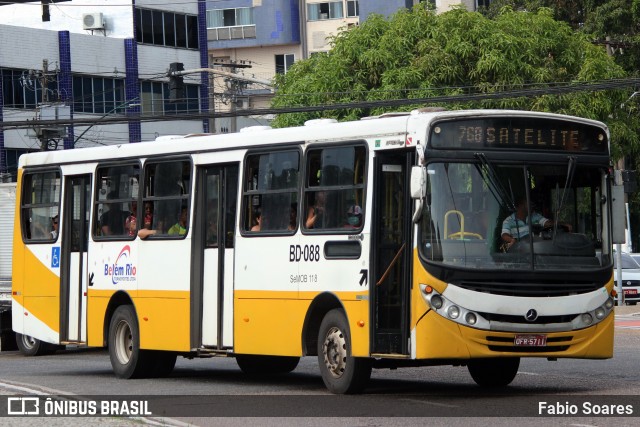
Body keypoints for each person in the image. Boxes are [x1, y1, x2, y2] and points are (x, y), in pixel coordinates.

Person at [501, 196, 572, 250]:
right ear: (520, 206)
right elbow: (504, 235)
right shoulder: (508, 221)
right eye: (528, 203)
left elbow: (548, 223)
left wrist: (563, 224)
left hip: (538, 250)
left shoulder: (535, 216)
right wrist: (512, 240)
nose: (531, 205)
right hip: (521, 253)